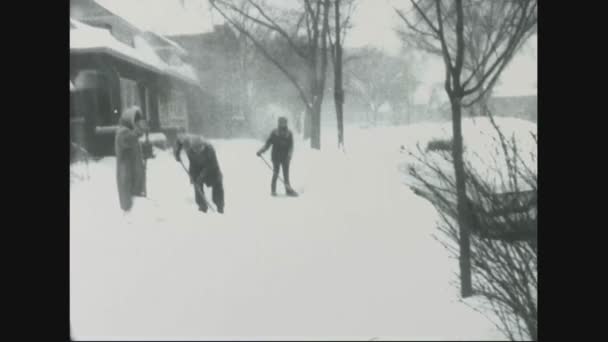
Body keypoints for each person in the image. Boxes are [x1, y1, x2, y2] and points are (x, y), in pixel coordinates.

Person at [175, 134, 225, 214]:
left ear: (203, 146)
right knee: (196, 184)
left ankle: (220, 207)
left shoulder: (210, 149)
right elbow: (178, 140)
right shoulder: (187, 142)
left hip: (211, 169)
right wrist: (177, 152)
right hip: (196, 166)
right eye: (195, 149)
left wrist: (201, 177)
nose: (197, 151)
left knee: (217, 181)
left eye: (199, 149)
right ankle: (202, 207)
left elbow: (211, 166)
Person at [115, 106, 148, 213]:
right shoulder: (123, 132)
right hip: (128, 177)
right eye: (136, 121)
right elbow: (128, 140)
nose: (138, 124)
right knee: (130, 210)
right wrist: (140, 131)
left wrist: (147, 151)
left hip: (133, 176)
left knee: (136, 208)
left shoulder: (128, 131)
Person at [257, 117, 297, 196]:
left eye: (284, 122)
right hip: (276, 157)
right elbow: (268, 144)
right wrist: (261, 151)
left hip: (285, 158)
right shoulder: (274, 133)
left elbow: (291, 146)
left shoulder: (289, 134)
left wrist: (289, 155)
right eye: (281, 122)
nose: (282, 124)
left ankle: (288, 191)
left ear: (286, 123)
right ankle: (273, 190)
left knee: (286, 175)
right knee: (276, 173)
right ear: (278, 123)